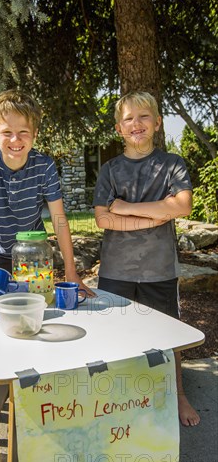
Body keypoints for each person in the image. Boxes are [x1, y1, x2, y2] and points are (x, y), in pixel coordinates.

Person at [93, 91, 199, 427]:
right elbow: (102, 219)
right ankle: (117, 398)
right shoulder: (110, 170)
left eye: (143, 116)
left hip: (158, 269)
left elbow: (181, 206)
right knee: (115, 335)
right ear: (119, 128)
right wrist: (156, 215)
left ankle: (176, 393)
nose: (136, 124)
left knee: (167, 337)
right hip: (116, 268)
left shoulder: (172, 164)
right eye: (128, 118)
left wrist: (125, 208)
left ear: (156, 123)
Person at [0, 89, 94, 313]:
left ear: (35, 133)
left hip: (34, 253)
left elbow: (59, 220)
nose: (15, 139)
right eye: (7, 132)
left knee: (36, 308)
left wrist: (71, 271)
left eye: (23, 131)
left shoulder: (45, 166)